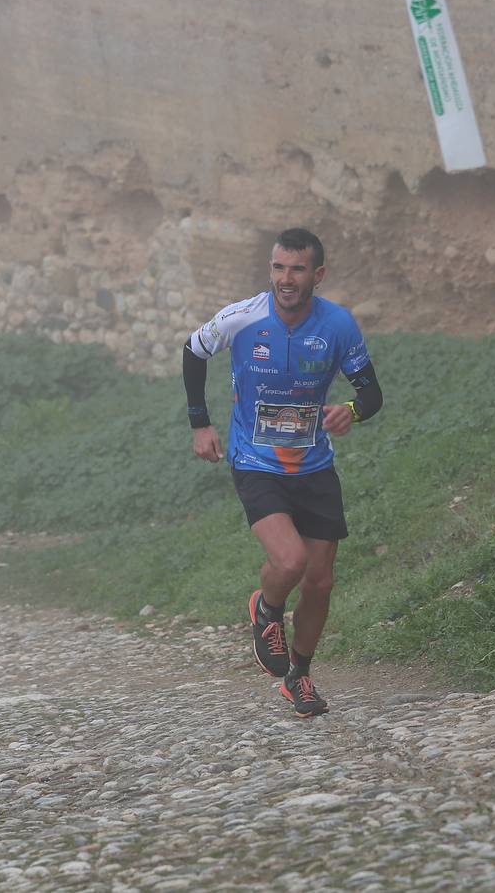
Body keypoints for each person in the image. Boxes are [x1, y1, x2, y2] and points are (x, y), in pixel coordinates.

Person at [181, 228, 382, 719]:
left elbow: (371, 393)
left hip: (314, 466)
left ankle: (300, 676)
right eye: (277, 268)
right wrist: (201, 424)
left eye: (295, 270)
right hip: (256, 462)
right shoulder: (244, 316)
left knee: (319, 582)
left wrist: (351, 412)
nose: (285, 279)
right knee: (289, 562)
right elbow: (192, 350)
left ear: (318, 274)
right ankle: (268, 610)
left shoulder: (337, 324)